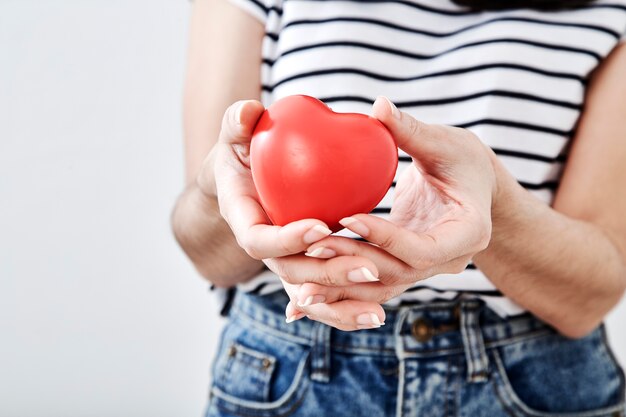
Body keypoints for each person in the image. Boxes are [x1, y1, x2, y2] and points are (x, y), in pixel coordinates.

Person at [172, 0, 626, 415]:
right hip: (284, 372)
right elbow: (207, 255)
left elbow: (587, 298)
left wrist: (495, 207)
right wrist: (220, 190)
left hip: (529, 384)